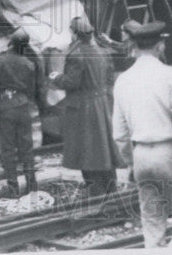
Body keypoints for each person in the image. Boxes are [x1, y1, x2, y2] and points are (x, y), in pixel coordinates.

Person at [112, 20, 172, 248]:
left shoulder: (122, 80)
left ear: (134, 46)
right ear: (160, 46)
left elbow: (119, 133)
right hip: (171, 155)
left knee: (153, 224)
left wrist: (130, 162)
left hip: (141, 158)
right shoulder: (170, 75)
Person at [48, 16, 120, 196]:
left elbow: (72, 82)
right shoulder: (103, 52)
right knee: (103, 149)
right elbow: (110, 78)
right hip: (102, 104)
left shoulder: (76, 55)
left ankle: (96, 192)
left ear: (74, 33)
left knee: (86, 151)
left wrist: (55, 77)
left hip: (83, 108)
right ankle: (111, 189)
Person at [0, 29, 41, 197]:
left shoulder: (0, 60)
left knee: (7, 149)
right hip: (23, 106)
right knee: (26, 148)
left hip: (5, 107)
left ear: (11, 44)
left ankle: (14, 189)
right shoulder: (29, 63)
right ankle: (32, 186)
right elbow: (32, 89)